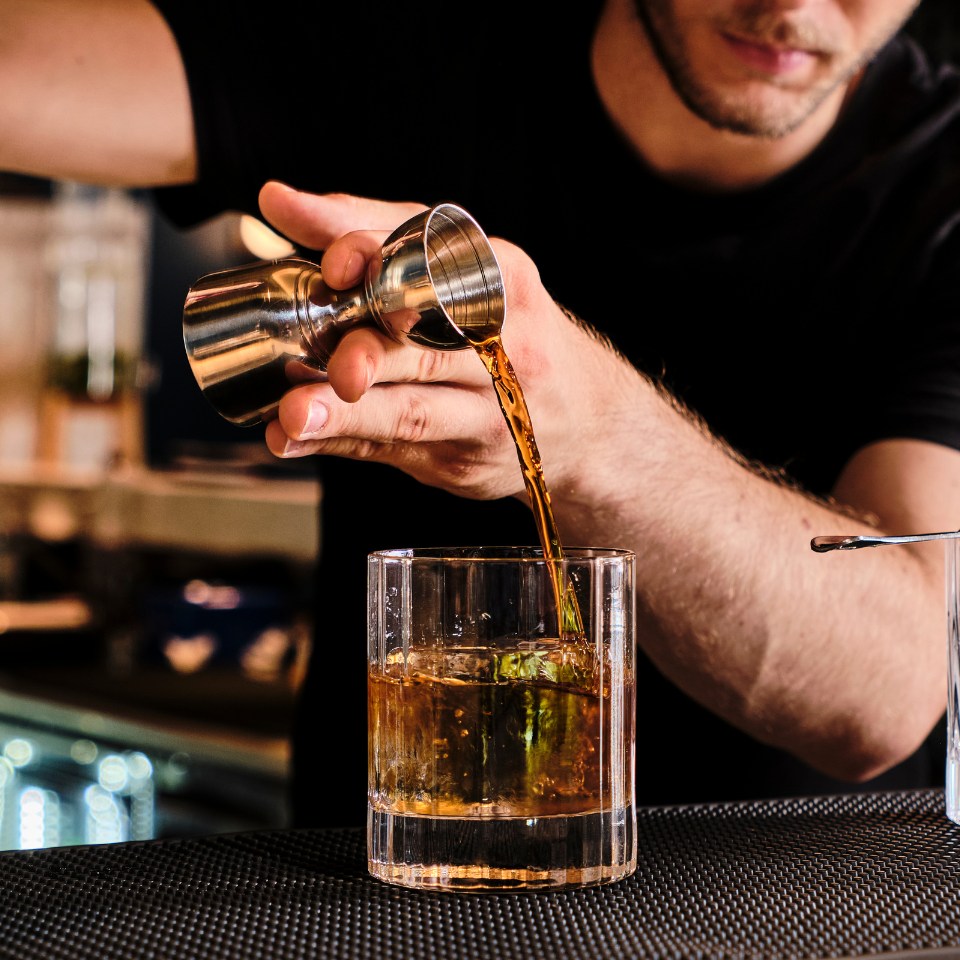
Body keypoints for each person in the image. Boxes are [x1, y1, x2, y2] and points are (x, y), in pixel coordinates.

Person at [3, 0, 960, 829]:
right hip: (379, 901)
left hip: (790, 919)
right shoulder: (415, 34)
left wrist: (598, 435)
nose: (795, 5)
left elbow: (887, 692)